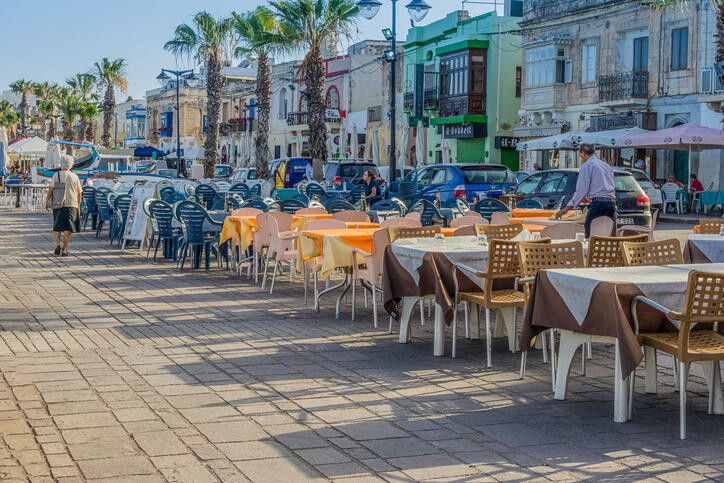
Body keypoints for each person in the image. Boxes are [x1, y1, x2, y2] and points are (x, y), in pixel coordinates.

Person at [556, 143, 616, 237]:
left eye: (581, 156)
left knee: (590, 236)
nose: (581, 159)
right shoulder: (606, 166)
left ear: (583, 153)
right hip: (612, 204)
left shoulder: (587, 166)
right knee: (609, 237)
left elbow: (581, 191)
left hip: (598, 205)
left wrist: (566, 209)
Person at [45, 154, 82, 256]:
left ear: (61, 164)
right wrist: (79, 207)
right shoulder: (75, 177)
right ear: (71, 165)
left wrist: (47, 201)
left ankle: (58, 243)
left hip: (58, 204)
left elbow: (50, 189)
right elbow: (79, 194)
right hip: (72, 205)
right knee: (68, 228)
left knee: (57, 226)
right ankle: (65, 249)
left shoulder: (56, 175)